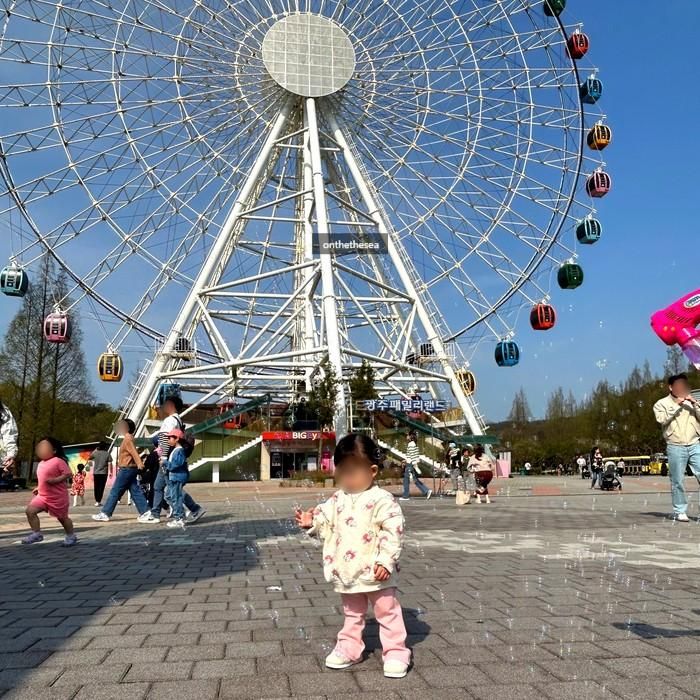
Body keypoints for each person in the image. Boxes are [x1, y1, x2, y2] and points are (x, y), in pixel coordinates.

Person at [295, 433, 411, 679]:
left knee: (387, 611)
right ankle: (350, 647)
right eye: (342, 471)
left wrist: (386, 560)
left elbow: (393, 531)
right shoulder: (337, 499)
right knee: (352, 613)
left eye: (353, 472)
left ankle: (396, 651)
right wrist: (311, 523)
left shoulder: (382, 500)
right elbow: (325, 521)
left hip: (376, 569)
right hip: (348, 570)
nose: (347, 478)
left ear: (372, 471)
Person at [139, 397, 205, 524]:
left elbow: (164, 439)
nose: (163, 407)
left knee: (171, 489)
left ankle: (182, 512)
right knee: (164, 487)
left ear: (171, 405)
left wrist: (161, 456)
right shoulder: (178, 420)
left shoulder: (169, 420)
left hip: (166, 459)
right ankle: (158, 512)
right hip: (168, 458)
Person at [653, 373, 700, 522]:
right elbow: (661, 419)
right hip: (675, 446)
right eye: (678, 385)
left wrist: (695, 404)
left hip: (695, 444)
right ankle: (680, 510)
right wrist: (676, 405)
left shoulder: (692, 401)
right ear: (671, 387)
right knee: (677, 480)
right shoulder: (661, 404)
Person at [22, 437, 77, 546]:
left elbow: (68, 474)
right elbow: (43, 478)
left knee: (62, 518)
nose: (41, 450)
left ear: (54, 451)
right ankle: (36, 533)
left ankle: (71, 536)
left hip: (58, 497)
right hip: (43, 496)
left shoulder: (58, 461)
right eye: (40, 448)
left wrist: (56, 480)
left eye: (45, 447)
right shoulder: (41, 463)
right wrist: (38, 487)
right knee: (30, 511)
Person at [92, 419, 149, 522]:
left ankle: (105, 513)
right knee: (134, 490)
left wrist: (140, 463)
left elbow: (133, 452)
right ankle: (145, 512)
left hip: (126, 468)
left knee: (115, 491)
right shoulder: (129, 438)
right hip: (129, 468)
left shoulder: (127, 439)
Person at [162, 429, 192, 529]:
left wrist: (165, 462)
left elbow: (175, 465)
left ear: (177, 439)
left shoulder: (179, 451)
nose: (168, 440)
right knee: (171, 497)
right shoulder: (176, 450)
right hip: (175, 477)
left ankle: (179, 518)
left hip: (177, 477)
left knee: (176, 498)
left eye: (170, 438)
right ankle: (181, 515)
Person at [399, 431, 431, 501]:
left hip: (410, 464)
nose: (406, 437)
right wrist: (406, 460)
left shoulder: (411, 444)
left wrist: (414, 465)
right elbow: (413, 455)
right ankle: (426, 490)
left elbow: (413, 455)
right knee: (415, 480)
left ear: (411, 437)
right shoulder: (414, 444)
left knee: (406, 480)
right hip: (411, 463)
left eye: (407, 435)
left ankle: (405, 496)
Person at [88, 441, 112, 506]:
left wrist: (95, 449)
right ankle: (99, 500)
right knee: (101, 487)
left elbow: (89, 457)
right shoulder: (107, 454)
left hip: (96, 473)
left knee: (96, 487)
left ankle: (97, 501)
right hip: (104, 473)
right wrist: (110, 472)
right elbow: (110, 463)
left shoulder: (95, 453)